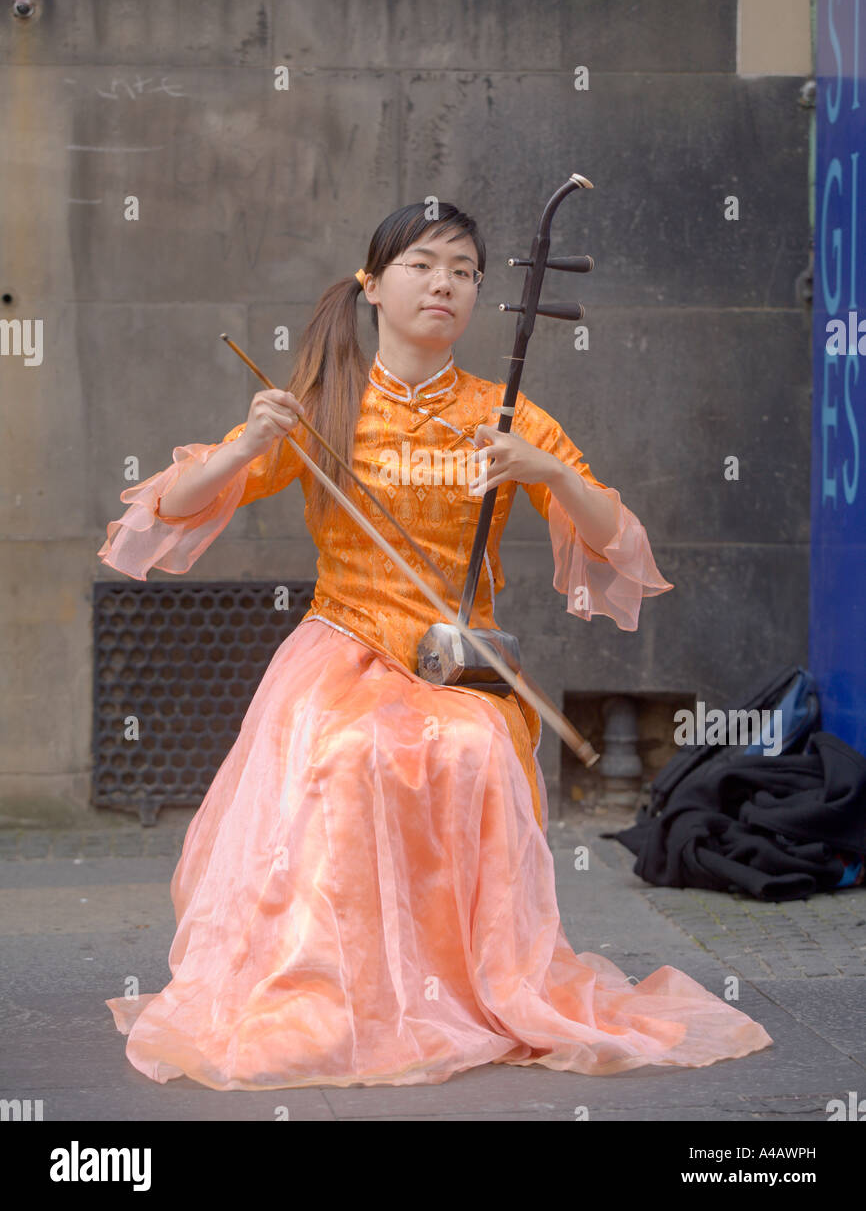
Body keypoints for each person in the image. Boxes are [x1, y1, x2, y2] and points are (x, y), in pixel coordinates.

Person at [97, 201, 773, 1090]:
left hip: (463, 662)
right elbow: (169, 510)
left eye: (462, 269)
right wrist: (248, 445)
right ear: (374, 285)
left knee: (473, 750)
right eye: (421, 264)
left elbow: (618, 540)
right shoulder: (323, 404)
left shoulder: (504, 413)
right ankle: (336, 987)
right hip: (341, 646)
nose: (444, 282)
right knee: (345, 754)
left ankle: (465, 985)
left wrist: (553, 473)